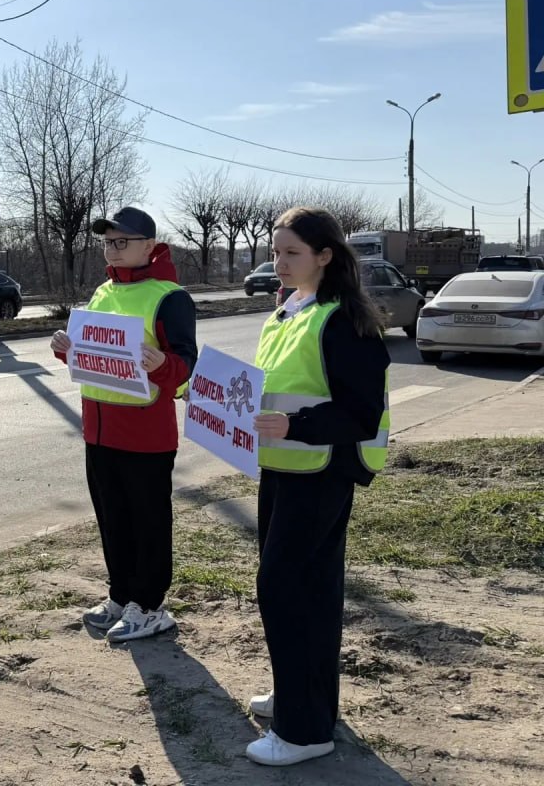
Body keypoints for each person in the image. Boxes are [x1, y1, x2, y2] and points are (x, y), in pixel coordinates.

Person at [246, 206, 390, 767]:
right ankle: (303, 700)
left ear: (325, 256)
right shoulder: (285, 312)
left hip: (321, 472)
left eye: (292, 254)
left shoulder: (342, 321)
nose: (279, 263)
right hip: (282, 469)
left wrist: (297, 426)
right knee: (307, 591)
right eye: (276, 252)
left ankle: (303, 733)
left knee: (290, 591)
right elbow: (271, 391)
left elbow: (360, 413)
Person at [49, 206, 197, 643]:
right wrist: (67, 349)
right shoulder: (102, 291)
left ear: (149, 246)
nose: (112, 250)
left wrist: (162, 365)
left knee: (148, 522)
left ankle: (150, 605)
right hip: (99, 430)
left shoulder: (170, 298)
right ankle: (121, 595)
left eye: (121, 242)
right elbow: (98, 357)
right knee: (112, 518)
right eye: (107, 243)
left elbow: (186, 365)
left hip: (146, 436)